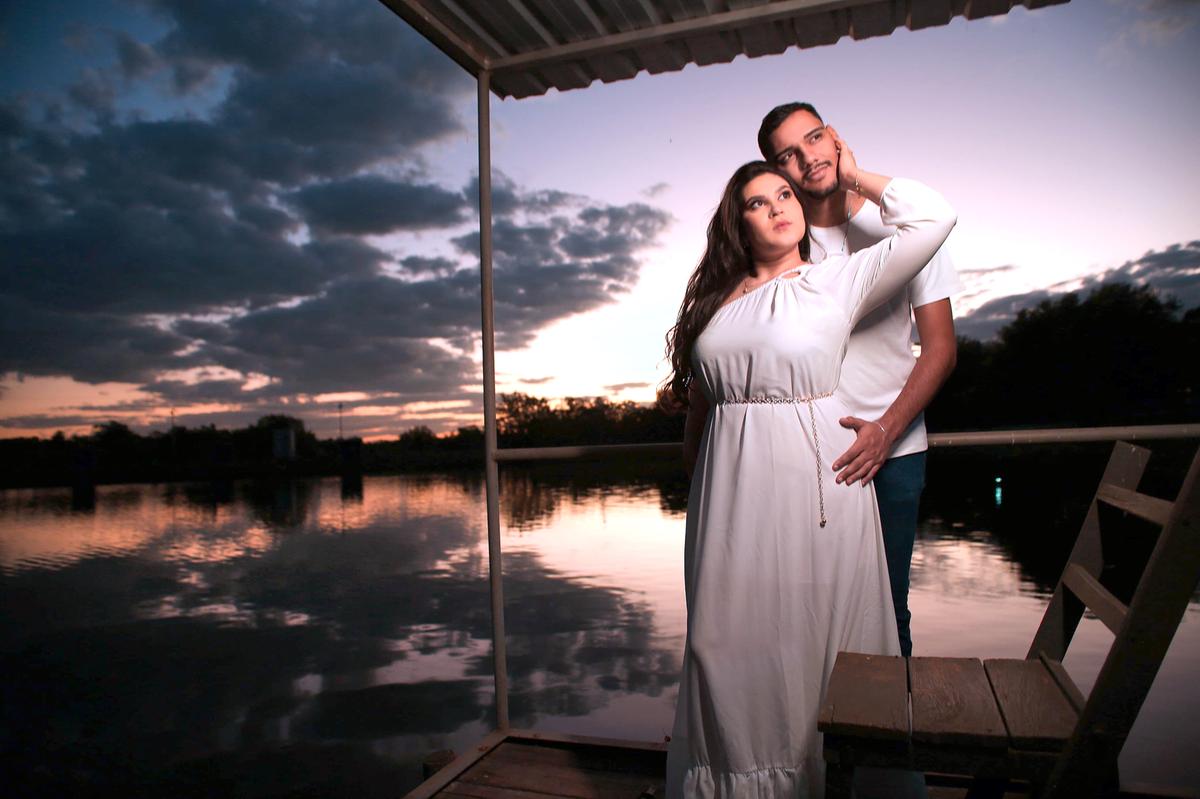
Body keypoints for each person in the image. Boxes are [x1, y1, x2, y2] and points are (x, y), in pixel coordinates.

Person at [662, 140, 955, 796]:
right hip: (728, 500)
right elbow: (701, 409)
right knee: (728, 649)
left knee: (817, 641)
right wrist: (704, 487)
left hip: (817, 487)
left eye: (784, 195)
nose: (775, 210)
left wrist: (851, 175)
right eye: (756, 204)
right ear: (737, 225)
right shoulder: (713, 301)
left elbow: (935, 217)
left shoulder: (837, 278)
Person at [758, 102, 962, 658]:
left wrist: (886, 430)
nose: (808, 158)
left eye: (816, 138)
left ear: (836, 138)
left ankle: (891, 746)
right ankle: (817, 747)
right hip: (808, 459)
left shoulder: (904, 227)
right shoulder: (782, 245)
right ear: (778, 171)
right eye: (788, 156)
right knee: (807, 612)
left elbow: (940, 349)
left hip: (895, 453)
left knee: (888, 608)